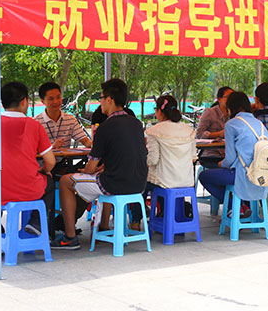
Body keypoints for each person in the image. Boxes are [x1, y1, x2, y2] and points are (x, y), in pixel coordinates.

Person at [52, 79, 147, 250]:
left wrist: (87, 170)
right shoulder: (136, 124)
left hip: (114, 184)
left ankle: (69, 237)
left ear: (109, 99)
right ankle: (103, 227)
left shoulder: (105, 127)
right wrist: (101, 168)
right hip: (139, 184)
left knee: (66, 181)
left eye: (101, 98)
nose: (100, 102)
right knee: (101, 177)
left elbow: (90, 168)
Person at [0, 82, 56, 254]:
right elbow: (51, 161)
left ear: (2, 102)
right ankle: (35, 223)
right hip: (29, 189)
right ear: (24, 101)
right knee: (49, 183)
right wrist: (44, 170)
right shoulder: (34, 125)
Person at [199, 91, 268, 218]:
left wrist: (220, 164)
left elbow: (230, 159)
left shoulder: (231, 124)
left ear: (231, 107)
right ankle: (241, 206)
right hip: (260, 174)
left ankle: (233, 206)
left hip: (241, 174)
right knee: (224, 175)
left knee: (204, 176)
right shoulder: (260, 124)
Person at [130, 95, 197, 225]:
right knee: (157, 180)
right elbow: (193, 158)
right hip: (186, 180)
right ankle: (164, 216)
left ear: (160, 111)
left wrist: (144, 163)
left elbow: (153, 160)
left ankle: (136, 221)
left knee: (142, 184)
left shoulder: (154, 131)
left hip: (165, 180)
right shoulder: (188, 130)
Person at [34, 82, 91, 149]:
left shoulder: (70, 120)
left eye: (58, 97)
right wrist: (51, 147)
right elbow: (31, 148)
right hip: (44, 156)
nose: (56, 101)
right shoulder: (35, 123)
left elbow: (86, 141)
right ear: (42, 101)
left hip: (65, 156)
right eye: (51, 99)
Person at [196, 86, 233, 168]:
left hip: (228, 156)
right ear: (219, 99)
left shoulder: (233, 115)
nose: (231, 100)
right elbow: (199, 134)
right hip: (211, 155)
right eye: (228, 97)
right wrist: (219, 134)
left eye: (233, 97)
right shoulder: (210, 112)